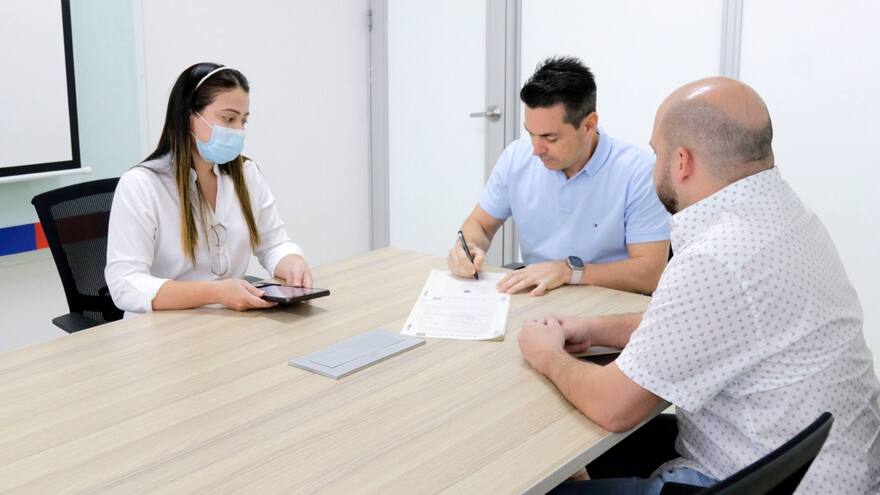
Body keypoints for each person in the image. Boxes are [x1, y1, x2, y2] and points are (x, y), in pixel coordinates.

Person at [518, 77, 880, 494]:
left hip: (748, 478)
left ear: (682, 162)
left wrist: (546, 356)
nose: (654, 166)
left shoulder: (719, 255)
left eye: (657, 154)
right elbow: (703, 323)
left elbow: (613, 407)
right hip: (818, 467)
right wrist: (596, 329)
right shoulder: (789, 216)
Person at [447, 57, 670, 296]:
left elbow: (650, 275)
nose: (536, 149)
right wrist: (468, 247)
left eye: (550, 138)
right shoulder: (516, 158)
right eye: (531, 134)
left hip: (609, 301)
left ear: (588, 125)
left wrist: (568, 272)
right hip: (539, 299)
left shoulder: (638, 172)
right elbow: (479, 224)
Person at [106, 63, 312, 314]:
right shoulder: (141, 185)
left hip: (228, 323)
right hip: (162, 333)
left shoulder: (246, 175)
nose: (238, 131)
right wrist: (216, 293)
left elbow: (274, 243)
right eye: (228, 118)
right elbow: (125, 285)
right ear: (188, 116)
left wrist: (292, 261)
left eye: (243, 121)